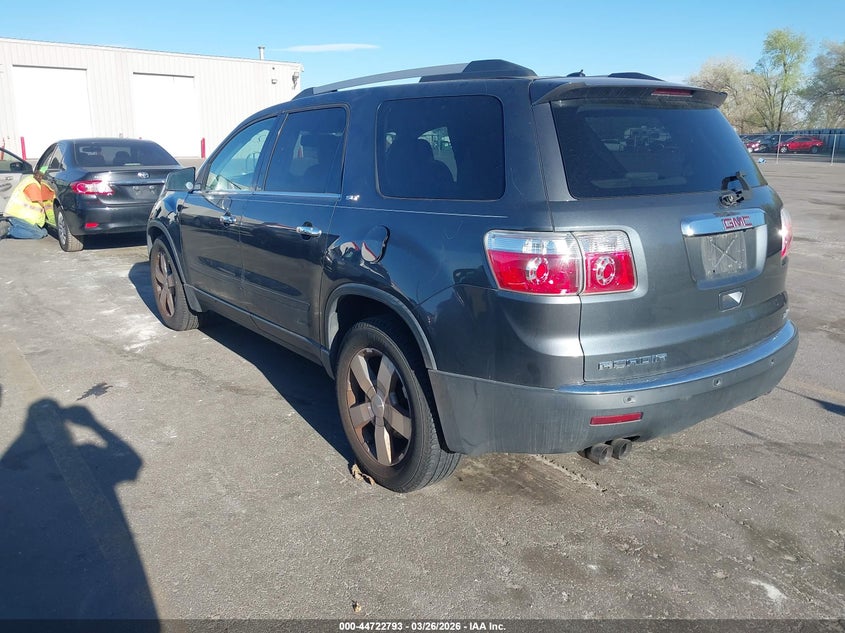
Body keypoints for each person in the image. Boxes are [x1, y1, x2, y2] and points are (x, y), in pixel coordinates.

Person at [0, 166, 54, 239]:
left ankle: (12, 226)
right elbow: (45, 204)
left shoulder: (33, 180)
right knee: (38, 234)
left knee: (43, 232)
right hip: (18, 216)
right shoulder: (32, 185)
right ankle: (9, 229)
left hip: (27, 218)